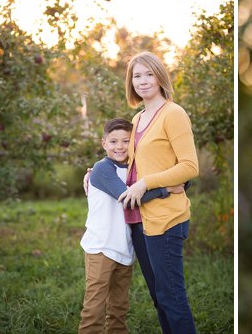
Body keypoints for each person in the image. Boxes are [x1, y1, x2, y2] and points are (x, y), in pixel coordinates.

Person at [118, 51, 199, 333]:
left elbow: (189, 166)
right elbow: (131, 163)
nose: (142, 81)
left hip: (166, 218)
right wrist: (95, 171)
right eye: (136, 76)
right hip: (140, 218)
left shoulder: (173, 114)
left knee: (172, 297)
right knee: (158, 297)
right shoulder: (138, 119)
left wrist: (147, 183)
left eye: (148, 74)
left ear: (160, 76)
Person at [79, 118, 185, 333]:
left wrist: (176, 181)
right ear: (104, 143)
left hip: (125, 249)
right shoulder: (101, 169)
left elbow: (178, 176)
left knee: (118, 309)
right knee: (94, 309)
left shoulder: (134, 169)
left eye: (126, 141)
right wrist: (168, 190)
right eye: (113, 142)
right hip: (101, 247)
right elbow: (129, 198)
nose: (120, 147)